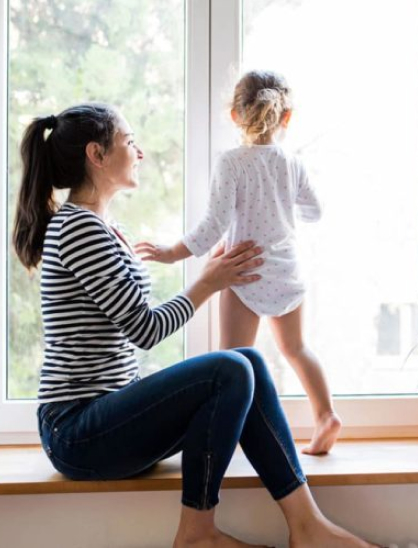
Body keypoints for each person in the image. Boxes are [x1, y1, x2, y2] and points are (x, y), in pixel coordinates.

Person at [13, 102, 374, 548]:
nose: (139, 151)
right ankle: (197, 532)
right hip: (76, 432)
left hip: (106, 418)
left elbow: (133, 322)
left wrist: (210, 278)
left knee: (247, 361)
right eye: (129, 141)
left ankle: (307, 526)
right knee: (229, 369)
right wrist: (207, 283)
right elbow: (145, 329)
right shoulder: (78, 229)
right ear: (97, 154)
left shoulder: (105, 227)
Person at [135, 70, 341, 455]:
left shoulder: (231, 163)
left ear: (234, 115)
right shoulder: (291, 163)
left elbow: (213, 226)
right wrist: (282, 204)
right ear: (286, 117)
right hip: (287, 269)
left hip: (243, 270)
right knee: (296, 348)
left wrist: (169, 253)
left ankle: (235, 436)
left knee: (232, 362)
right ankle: (326, 415)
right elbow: (315, 211)